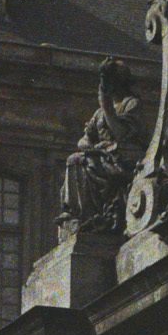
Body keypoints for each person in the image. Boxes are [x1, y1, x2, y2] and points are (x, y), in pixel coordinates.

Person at [59, 58, 149, 234]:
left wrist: (107, 108)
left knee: (85, 163)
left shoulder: (131, 104)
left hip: (123, 159)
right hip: (102, 155)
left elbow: (122, 134)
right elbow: (83, 140)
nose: (105, 86)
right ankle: (76, 214)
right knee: (75, 160)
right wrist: (92, 147)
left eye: (109, 82)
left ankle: (87, 215)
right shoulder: (99, 113)